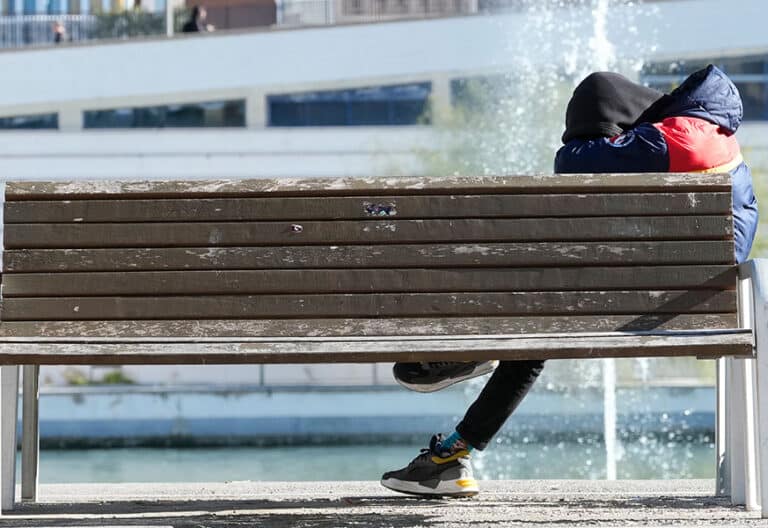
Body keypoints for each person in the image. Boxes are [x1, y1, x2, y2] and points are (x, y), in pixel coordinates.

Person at [380, 64, 758, 498]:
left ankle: (467, 360)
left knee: (534, 320)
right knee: (536, 334)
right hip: (693, 305)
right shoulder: (719, 143)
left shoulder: (675, 139)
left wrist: (586, 135)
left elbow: (572, 163)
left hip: (637, 303)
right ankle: (451, 453)